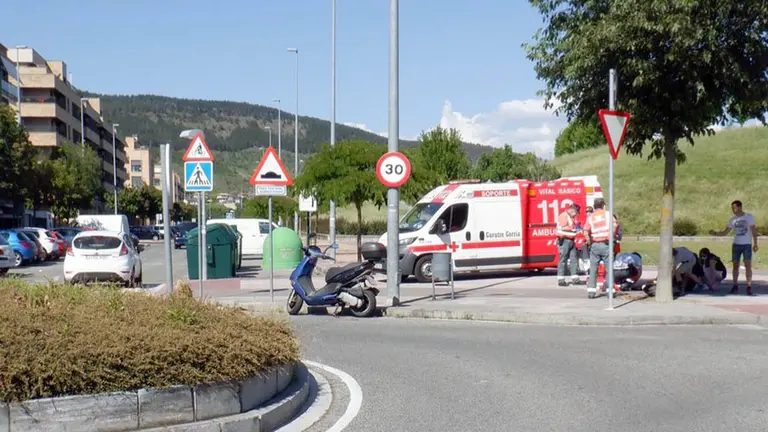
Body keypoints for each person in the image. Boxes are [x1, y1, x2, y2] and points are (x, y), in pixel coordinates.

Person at [710, 200, 758, 295]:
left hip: (746, 245)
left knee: (748, 265)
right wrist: (715, 233)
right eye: (732, 208)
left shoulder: (749, 217)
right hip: (736, 245)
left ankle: (749, 286)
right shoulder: (733, 219)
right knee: (735, 265)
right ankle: (735, 285)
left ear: (740, 207)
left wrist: (755, 243)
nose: (733, 210)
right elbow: (725, 232)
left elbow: (753, 231)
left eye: (734, 208)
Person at [583, 198, 619, 298]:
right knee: (609, 269)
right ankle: (610, 290)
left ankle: (591, 291)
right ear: (603, 205)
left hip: (595, 245)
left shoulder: (590, 217)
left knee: (593, 269)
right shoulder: (608, 214)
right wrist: (612, 235)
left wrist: (589, 242)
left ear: (594, 206)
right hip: (606, 244)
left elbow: (585, 231)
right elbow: (615, 225)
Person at [556, 203, 583, 286]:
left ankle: (575, 277)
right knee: (563, 259)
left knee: (574, 258)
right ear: (572, 210)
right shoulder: (564, 216)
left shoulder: (571, 217)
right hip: (564, 240)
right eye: (576, 212)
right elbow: (564, 227)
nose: (576, 214)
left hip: (571, 239)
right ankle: (561, 279)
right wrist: (574, 229)